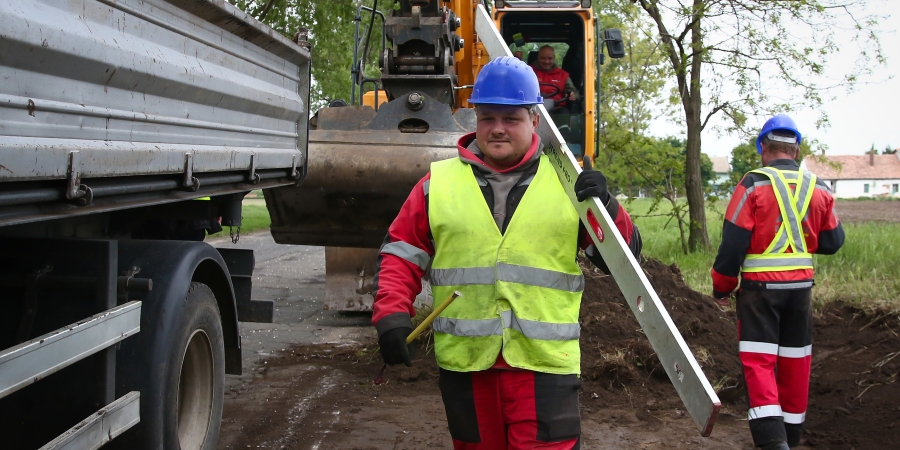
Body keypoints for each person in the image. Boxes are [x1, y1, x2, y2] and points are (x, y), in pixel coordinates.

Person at [371, 56, 641, 449]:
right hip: (466, 365)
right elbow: (401, 252)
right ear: (475, 119)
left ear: (534, 120)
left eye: (510, 118)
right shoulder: (437, 184)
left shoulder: (568, 184)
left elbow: (624, 258)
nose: (497, 129)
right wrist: (391, 314)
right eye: (487, 118)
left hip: (544, 368)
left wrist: (607, 207)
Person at [711, 114, 845, 450]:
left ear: (763, 148)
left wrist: (722, 288)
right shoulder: (819, 188)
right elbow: (832, 242)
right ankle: (792, 437)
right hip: (800, 294)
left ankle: (773, 443)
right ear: (796, 150)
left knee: (759, 363)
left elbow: (732, 246)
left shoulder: (752, 184)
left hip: (759, 294)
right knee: (795, 363)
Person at [530, 45, 579, 112]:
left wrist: (573, 95)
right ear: (538, 57)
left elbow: (573, 91)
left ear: (554, 58)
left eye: (550, 58)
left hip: (556, 109)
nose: (546, 61)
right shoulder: (528, 72)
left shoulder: (563, 75)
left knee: (564, 112)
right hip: (532, 108)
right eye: (543, 58)